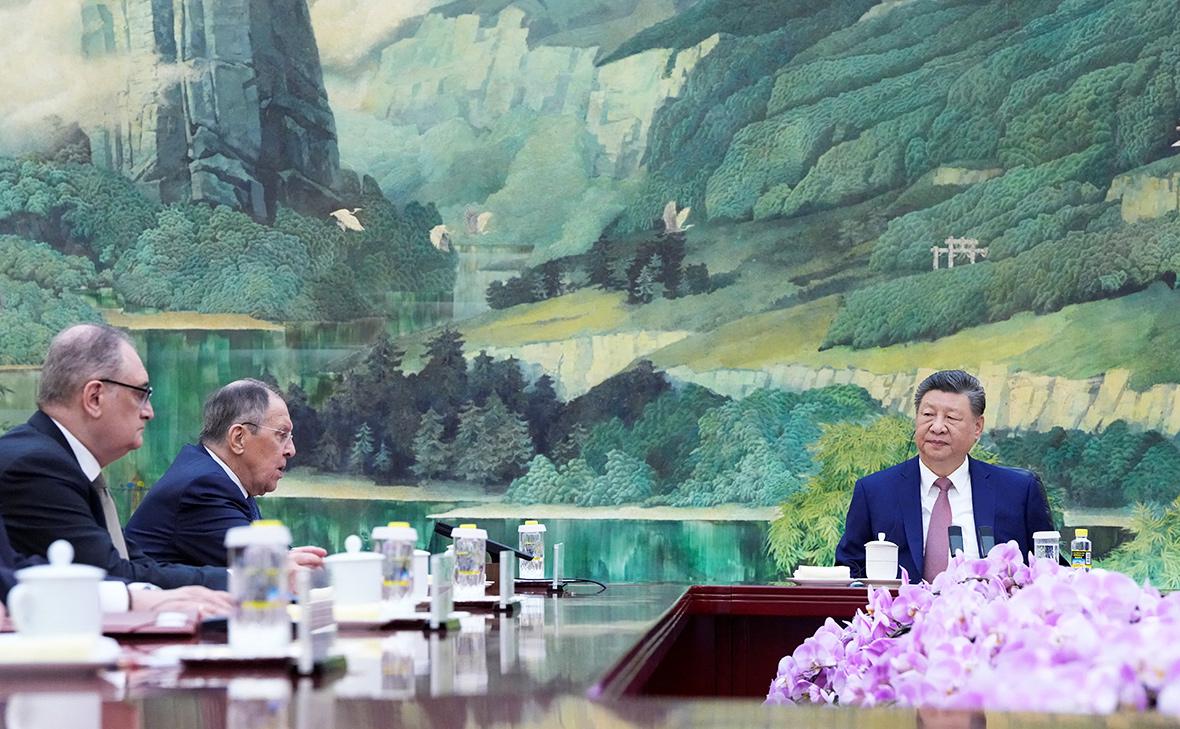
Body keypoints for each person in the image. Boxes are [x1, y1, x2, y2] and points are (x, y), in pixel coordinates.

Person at [0, 323, 235, 614]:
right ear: (94, 398)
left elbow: (136, 564)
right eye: (141, 394)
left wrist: (237, 579)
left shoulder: (63, 462)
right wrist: (243, 581)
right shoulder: (35, 468)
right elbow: (110, 573)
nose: (149, 412)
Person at [835, 369, 1053, 583]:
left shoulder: (1019, 491)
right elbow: (848, 571)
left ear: (977, 427)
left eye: (951, 417)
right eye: (928, 415)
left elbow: (1050, 573)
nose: (937, 427)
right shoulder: (874, 492)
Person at [127, 379, 326, 569]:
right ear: (238, 438)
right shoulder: (202, 487)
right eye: (281, 435)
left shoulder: (223, 479)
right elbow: (268, 568)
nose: (291, 450)